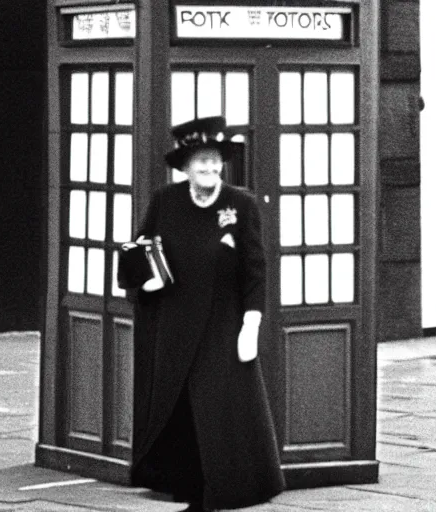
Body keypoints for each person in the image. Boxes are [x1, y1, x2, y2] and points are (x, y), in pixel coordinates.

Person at [129, 116, 285, 512]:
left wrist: (251, 324)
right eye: (201, 163)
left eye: (216, 162)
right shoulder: (166, 200)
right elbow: (139, 250)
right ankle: (188, 487)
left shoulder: (242, 204)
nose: (211, 170)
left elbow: (255, 270)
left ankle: (234, 488)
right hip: (174, 321)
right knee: (180, 407)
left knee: (219, 408)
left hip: (223, 322)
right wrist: (144, 283)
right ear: (184, 167)